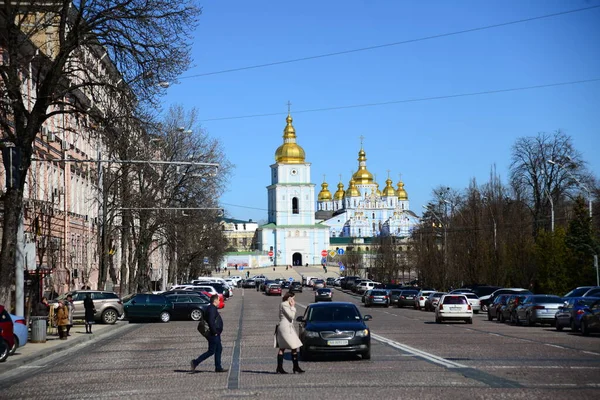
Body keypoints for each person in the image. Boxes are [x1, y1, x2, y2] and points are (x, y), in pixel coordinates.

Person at [191, 294, 227, 373]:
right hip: (213, 334)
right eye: (218, 300)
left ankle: (218, 367)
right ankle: (195, 362)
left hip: (215, 333)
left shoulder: (212, 308)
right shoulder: (211, 309)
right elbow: (211, 321)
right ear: (215, 301)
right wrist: (214, 332)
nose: (219, 301)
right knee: (211, 351)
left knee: (218, 349)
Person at [275, 292, 304, 374]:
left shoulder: (285, 304)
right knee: (283, 347)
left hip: (288, 327)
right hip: (285, 328)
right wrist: (293, 306)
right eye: (293, 298)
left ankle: (295, 367)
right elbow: (291, 316)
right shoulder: (284, 304)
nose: (294, 300)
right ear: (289, 298)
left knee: (293, 347)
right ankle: (280, 368)